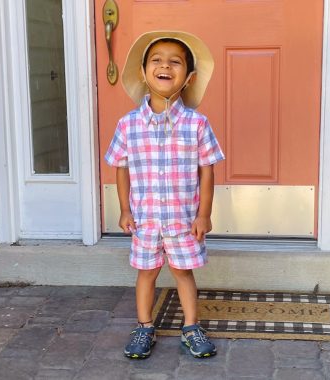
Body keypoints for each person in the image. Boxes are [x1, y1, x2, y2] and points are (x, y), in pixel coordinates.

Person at [105, 30, 225, 359]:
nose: (165, 66)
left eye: (175, 62)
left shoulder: (197, 124)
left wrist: (203, 214)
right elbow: (121, 167)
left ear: (188, 78)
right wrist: (124, 210)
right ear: (144, 73)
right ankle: (144, 326)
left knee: (183, 272)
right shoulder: (128, 125)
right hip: (145, 219)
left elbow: (207, 169)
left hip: (183, 219)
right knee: (147, 272)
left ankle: (191, 326)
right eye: (156, 60)